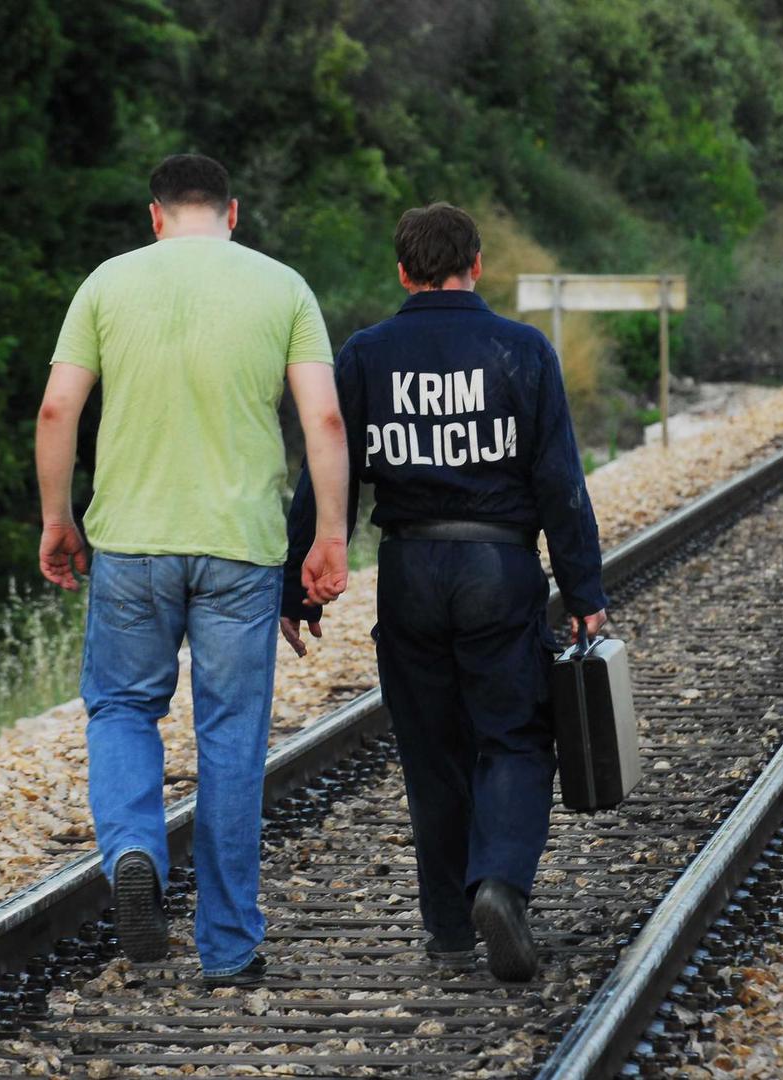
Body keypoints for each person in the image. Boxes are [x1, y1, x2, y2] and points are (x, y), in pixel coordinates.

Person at [34, 153, 350, 987]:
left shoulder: (106, 283)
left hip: (132, 542)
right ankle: (230, 946)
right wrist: (332, 535)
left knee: (124, 709)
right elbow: (322, 414)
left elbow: (58, 407)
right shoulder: (283, 288)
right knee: (231, 738)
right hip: (241, 547)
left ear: (156, 215)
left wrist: (58, 519)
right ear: (234, 213)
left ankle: (135, 849)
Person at [283, 203, 608, 982]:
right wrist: (584, 588)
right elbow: (559, 482)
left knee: (431, 751)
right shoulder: (522, 351)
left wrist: (300, 585)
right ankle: (498, 883)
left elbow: (325, 472)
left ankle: (449, 931)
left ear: (403, 271)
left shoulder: (366, 355)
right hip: (497, 569)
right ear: (479, 263)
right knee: (517, 737)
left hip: (409, 570)